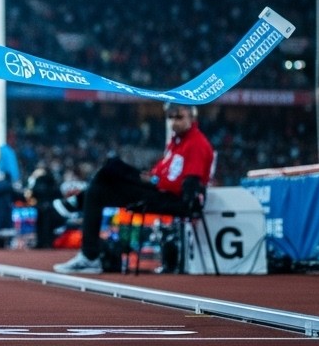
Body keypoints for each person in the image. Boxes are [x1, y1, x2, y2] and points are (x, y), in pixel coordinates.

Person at [53, 102, 216, 274]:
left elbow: (187, 187)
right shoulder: (177, 143)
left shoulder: (196, 144)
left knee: (110, 169)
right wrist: (151, 177)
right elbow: (161, 171)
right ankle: (89, 254)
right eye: (171, 117)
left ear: (192, 117)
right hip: (159, 189)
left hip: (172, 199)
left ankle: (76, 208)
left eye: (179, 117)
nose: (174, 122)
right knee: (100, 186)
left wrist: (154, 181)